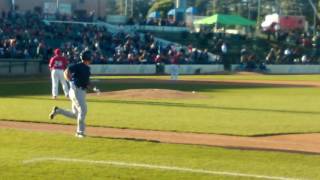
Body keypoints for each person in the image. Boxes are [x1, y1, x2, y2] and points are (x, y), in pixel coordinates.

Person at [49, 50, 93, 138]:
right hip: (76, 91)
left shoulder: (87, 68)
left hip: (80, 91)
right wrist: (69, 80)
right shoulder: (79, 65)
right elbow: (66, 71)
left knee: (75, 114)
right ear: (87, 58)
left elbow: (86, 81)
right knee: (83, 111)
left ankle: (58, 110)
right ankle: (79, 132)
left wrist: (92, 87)